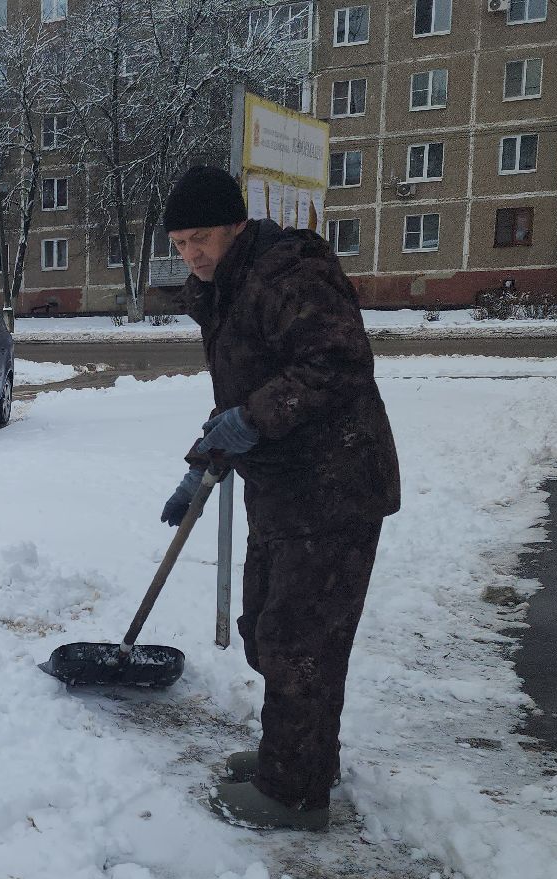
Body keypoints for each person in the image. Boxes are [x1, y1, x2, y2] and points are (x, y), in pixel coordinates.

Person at [159, 165, 401, 831]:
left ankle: (294, 793)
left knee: (300, 642)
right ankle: (295, 757)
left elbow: (338, 363)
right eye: (179, 243)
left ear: (236, 224)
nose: (192, 254)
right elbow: (241, 396)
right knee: (268, 630)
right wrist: (204, 461)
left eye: (201, 237)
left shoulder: (286, 273)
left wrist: (252, 422)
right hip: (286, 488)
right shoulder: (226, 288)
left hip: (334, 486)